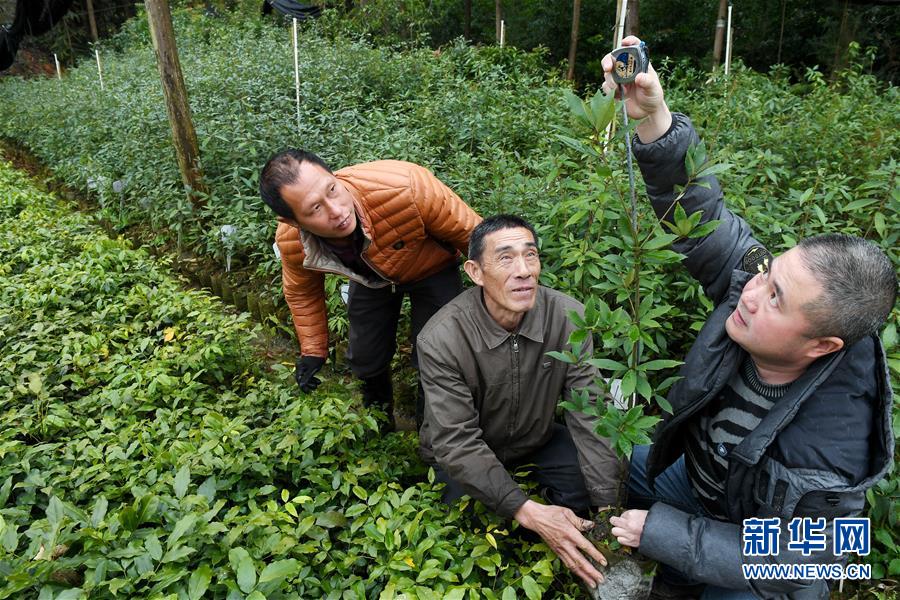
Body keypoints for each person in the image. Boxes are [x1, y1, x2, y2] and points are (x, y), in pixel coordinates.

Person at [601, 37, 896, 599]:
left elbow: (810, 558)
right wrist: (653, 117)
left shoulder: (833, 449)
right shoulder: (759, 282)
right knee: (617, 455)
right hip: (699, 483)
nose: (751, 291)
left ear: (822, 345)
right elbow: (703, 213)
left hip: (757, 551)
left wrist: (667, 533)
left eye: (777, 297)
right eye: (767, 272)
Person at [417, 214, 624, 590]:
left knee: (588, 493)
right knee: (467, 527)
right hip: (467, 451)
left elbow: (591, 411)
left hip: (536, 437)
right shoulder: (442, 338)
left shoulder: (567, 317)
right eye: (506, 258)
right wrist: (527, 511)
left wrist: (608, 508)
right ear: (475, 272)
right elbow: (456, 442)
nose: (524, 271)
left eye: (531, 256)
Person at [259, 150, 481, 430]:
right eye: (315, 209)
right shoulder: (293, 240)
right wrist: (313, 350)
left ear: (334, 175)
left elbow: (478, 240)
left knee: (437, 356)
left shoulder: (404, 186)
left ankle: (435, 442)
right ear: (292, 221)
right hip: (371, 277)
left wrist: (508, 305)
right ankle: (380, 429)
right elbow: (302, 292)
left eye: (332, 189)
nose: (337, 211)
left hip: (431, 266)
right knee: (365, 356)